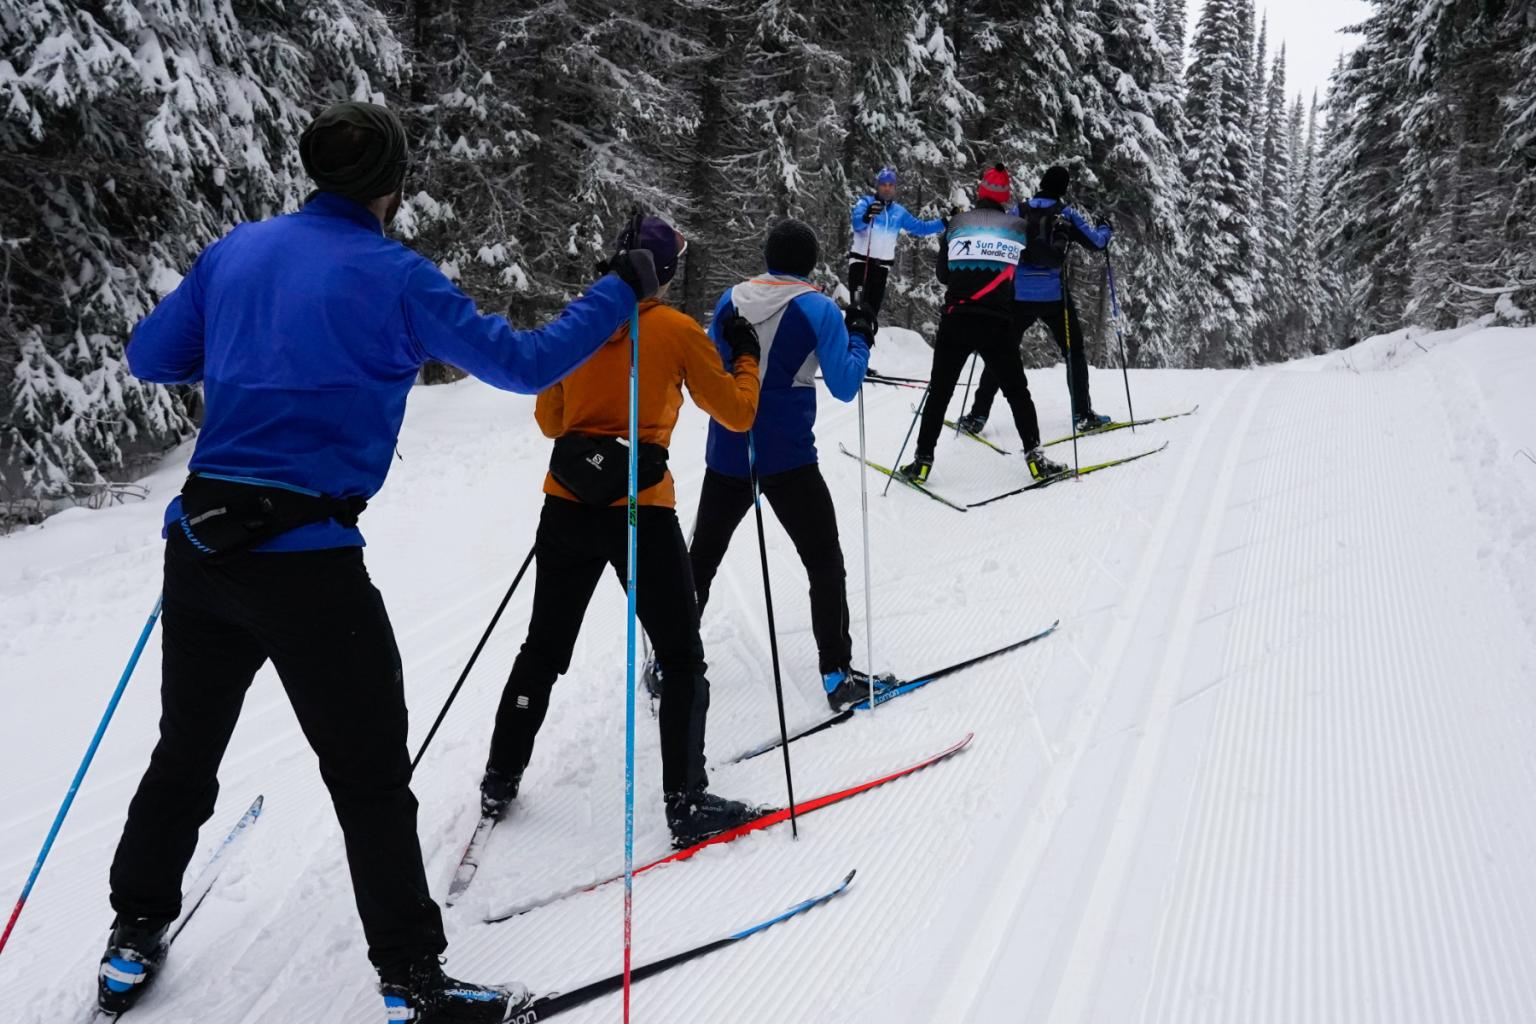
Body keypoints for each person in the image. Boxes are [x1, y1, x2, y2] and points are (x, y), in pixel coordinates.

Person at [101, 101, 659, 1024]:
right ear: (395, 185)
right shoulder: (397, 276)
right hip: (310, 563)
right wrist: (622, 283)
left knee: (186, 749)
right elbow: (526, 366)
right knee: (367, 773)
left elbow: (150, 358)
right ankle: (412, 980)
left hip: (200, 547)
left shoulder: (238, 250)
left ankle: (132, 935)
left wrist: (248, 335)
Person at [480, 216, 765, 849]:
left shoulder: (579, 323)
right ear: (664, 272)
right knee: (681, 654)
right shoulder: (675, 330)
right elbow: (739, 414)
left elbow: (552, 422)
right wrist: (745, 356)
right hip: (640, 510)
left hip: (567, 504)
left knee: (543, 650)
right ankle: (686, 800)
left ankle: (501, 775)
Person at [679, 219, 889, 712]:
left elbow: (713, 366)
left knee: (701, 560)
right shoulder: (818, 307)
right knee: (823, 561)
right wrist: (860, 335)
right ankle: (837, 675)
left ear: (768, 255)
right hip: (788, 454)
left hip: (729, 447)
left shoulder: (730, 299)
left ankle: (671, 663)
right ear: (811, 262)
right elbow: (844, 383)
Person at [900, 165, 1068, 484]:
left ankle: (922, 461)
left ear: (980, 191)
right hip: (997, 321)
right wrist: (1059, 233)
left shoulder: (957, 224)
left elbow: (943, 276)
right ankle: (1035, 457)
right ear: (1005, 197)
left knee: (939, 393)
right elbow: (1047, 258)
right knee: (1017, 391)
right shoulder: (1018, 226)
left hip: (957, 318)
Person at [955, 165, 1115, 436]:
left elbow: (1000, 240)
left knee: (1000, 353)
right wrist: (1105, 229)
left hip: (1018, 296)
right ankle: (1082, 414)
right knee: (1073, 352)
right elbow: (1098, 243)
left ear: (1041, 183)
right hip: (1054, 297)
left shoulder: (1020, 210)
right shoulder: (1066, 214)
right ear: (1063, 188)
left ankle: (977, 415)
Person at [847, 167, 945, 321]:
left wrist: (944, 222)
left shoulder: (899, 212)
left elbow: (920, 227)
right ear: (878, 186)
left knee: (871, 314)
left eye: (890, 185)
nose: (887, 188)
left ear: (894, 188)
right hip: (861, 265)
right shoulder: (865, 202)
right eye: (883, 184)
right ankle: (848, 341)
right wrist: (867, 216)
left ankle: (863, 344)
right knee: (856, 309)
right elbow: (856, 224)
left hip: (881, 269)